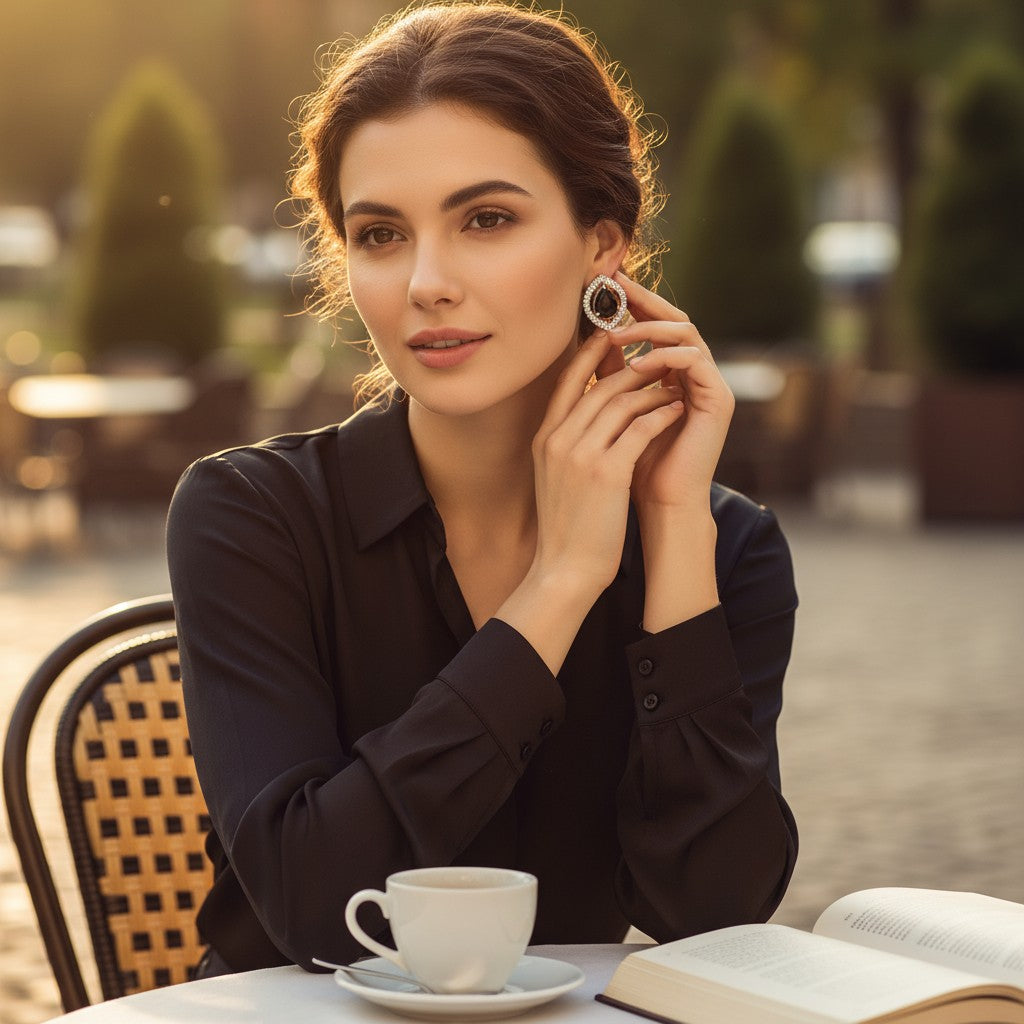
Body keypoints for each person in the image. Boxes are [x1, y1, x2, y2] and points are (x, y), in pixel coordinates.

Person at [167, 0, 798, 979]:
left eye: (487, 219)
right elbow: (317, 911)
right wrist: (558, 586)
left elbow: (714, 914)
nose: (426, 280)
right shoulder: (251, 516)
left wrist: (671, 524)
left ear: (602, 245)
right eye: (380, 234)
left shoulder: (725, 549)